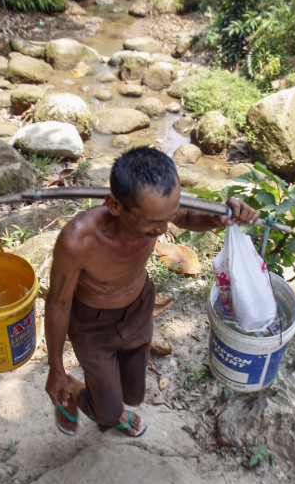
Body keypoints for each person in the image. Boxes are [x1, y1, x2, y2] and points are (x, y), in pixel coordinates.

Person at [44, 147, 261, 437]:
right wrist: (56, 367)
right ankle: (75, 388)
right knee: (108, 413)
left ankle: (116, 401)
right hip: (92, 327)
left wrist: (221, 216)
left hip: (138, 309)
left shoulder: (158, 210)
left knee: (134, 395)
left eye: (167, 218)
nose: (162, 230)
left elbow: (185, 216)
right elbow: (58, 303)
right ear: (114, 205)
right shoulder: (78, 241)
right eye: (151, 224)